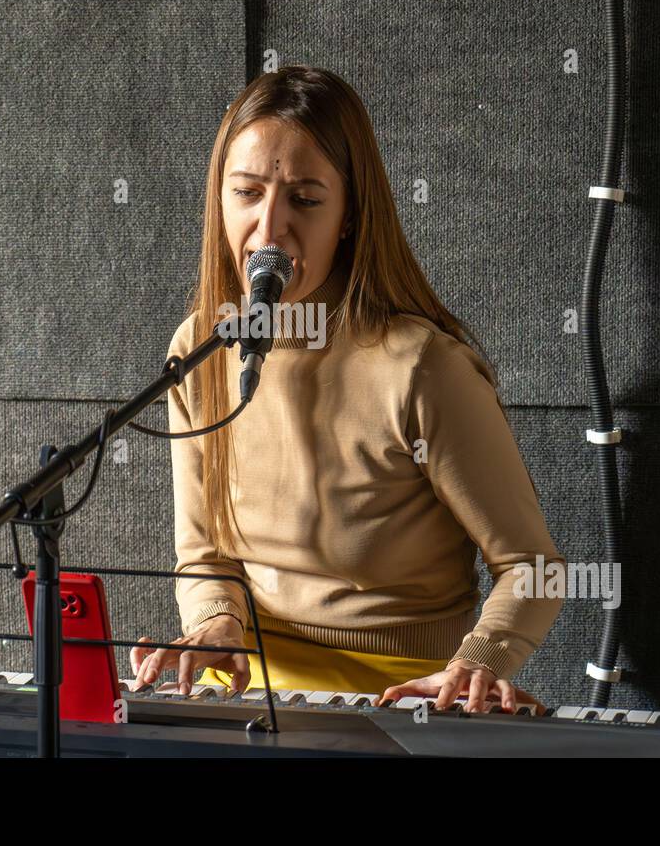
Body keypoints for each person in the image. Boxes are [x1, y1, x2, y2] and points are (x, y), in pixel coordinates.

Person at [130, 66, 565, 713]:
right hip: (249, 689)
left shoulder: (423, 368)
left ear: (350, 215)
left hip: (398, 695)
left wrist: (478, 662)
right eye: (246, 192)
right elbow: (206, 555)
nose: (269, 229)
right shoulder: (202, 346)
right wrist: (216, 621)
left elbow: (533, 567)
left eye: (304, 200)